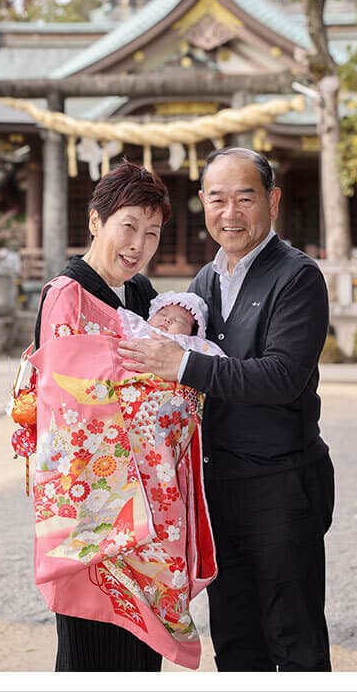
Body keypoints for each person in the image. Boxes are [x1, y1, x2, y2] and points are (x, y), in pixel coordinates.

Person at [118, 146, 335, 672]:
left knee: (295, 636)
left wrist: (182, 366)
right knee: (236, 641)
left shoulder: (298, 277)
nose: (230, 213)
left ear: (273, 201)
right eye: (217, 199)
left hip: (282, 483)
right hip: (217, 487)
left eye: (245, 198)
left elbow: (282, 376)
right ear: (202, 203)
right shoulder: (204, 283)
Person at [19, 160, 217, 672]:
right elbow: (74, 404)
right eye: (128, 226)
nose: (138, 245)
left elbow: (166, 366)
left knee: (137, 658)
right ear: (95, 222)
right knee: (90, 653)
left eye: (152, 234)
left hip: (146, 500)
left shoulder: (145, 295)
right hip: (98, 506)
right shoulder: (67, 293)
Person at [117, 291, 225, 360]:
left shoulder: (194, 343)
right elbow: (117, 322)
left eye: (180, 321)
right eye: (163, 314)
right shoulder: (142, 327)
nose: (168, 320)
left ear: (192, 332)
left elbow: (218, 363)